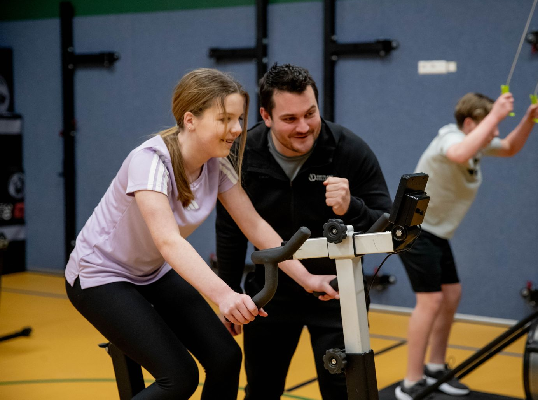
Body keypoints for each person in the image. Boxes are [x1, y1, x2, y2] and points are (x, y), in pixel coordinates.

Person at [65, 68, 325, 400]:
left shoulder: (217, 164)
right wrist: (225, 296)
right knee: (179, 377)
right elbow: (168, 241)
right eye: (225, 119)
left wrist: (308, 279)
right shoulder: (150, 162)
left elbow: (255, 226)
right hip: (100, 275)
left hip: (151, 272)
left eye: (239, 118)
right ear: (190, 120)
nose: (237, 129)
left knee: (226, 359)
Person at [215, 63, 392, 400]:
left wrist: (351, 207)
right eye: (290, 118)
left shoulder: (348, 149)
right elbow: (230, 229)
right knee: (262, 390)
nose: (304, 127)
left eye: (310, 113)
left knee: (344, 391)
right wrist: (229, 293)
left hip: (337, 291)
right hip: (270, 292)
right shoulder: (242, 154)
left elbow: (387, 226)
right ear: (266, 116)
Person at [395, 92, 538, 400]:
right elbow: (458, 154)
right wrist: (497, 114)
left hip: (437, 233)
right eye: (491, 124)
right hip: (413, 229)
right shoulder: (450, 138)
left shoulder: (476, 141)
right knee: (431, 301)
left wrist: (529, 120)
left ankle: (435, 367)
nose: (496, 131)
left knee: (451, 295)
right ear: (469, 123)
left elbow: (510, 147)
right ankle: (411, 382)